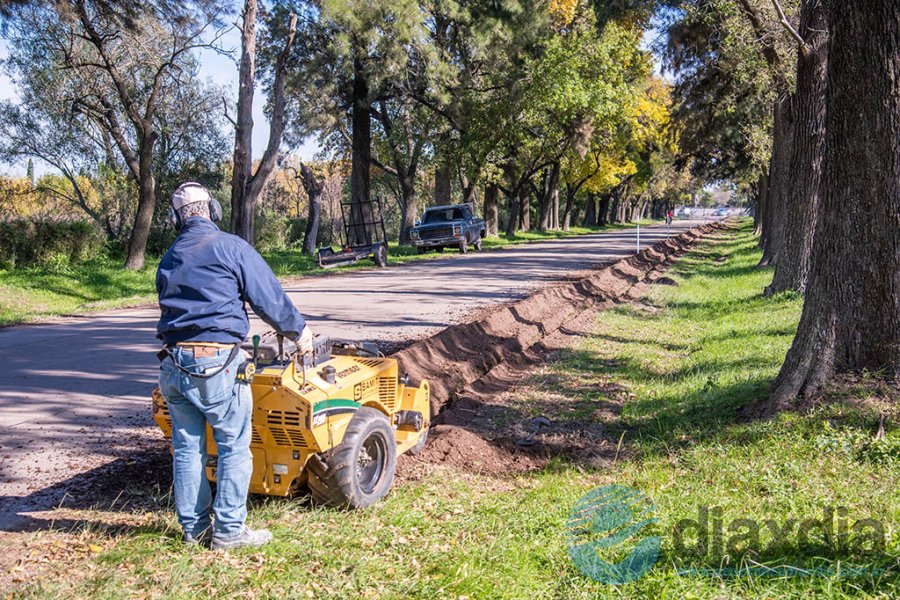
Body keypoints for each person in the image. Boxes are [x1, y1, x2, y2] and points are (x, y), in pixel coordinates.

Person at [156, 182, 313, 550]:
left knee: (188, 447)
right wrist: (299, 333)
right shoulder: (230, 247)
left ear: (176, 218)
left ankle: (194, 530)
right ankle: (229, 531)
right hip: (215, 366)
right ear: (212, 210)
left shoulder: (170, 256)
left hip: (174, 367)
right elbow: (268, 297)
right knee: (233, 445)